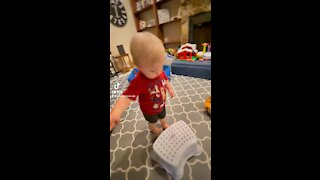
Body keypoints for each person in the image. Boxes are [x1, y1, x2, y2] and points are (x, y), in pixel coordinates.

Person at [110, 32, 174, 135]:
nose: (158, 72)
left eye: (161, 66)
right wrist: (116, 112)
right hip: (149, 110)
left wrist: (170, 88)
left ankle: (164, 124)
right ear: (139, 67)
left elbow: (165, 80)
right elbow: (126, 97)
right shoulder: (139, 80)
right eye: (153, 71)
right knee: (152, 121)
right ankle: (152, 128)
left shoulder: (158, 70)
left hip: (161, 104)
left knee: (163, 115)